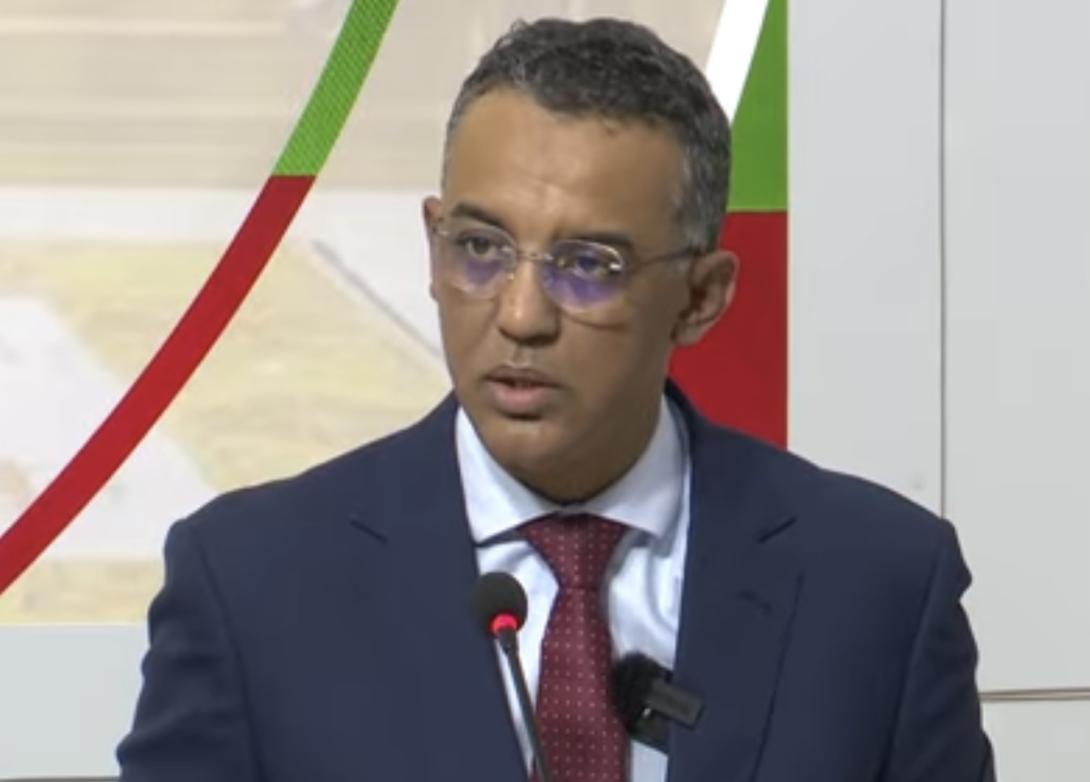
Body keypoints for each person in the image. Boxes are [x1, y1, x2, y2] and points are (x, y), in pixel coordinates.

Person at [117, 17, 995, 782]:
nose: (521, 316)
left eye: (587, 267)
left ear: (701, 298)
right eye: (480, 248)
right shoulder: (253, 583)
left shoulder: (876, 584)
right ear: (432, 247)